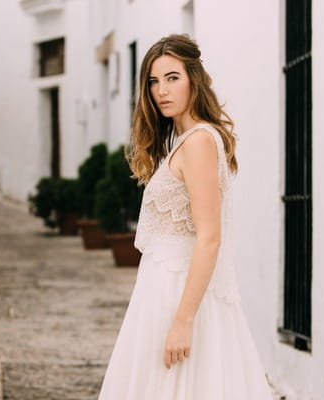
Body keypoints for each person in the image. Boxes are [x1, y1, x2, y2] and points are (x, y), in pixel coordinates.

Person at [97, 34, 274, 400]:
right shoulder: (183, 141)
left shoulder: (198, 143)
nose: (161, 90)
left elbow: (210, 237)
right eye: (153, 81)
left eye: (173, 77)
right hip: (162, 292)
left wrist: (182, 321)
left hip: (181, 296)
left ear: (194, 79)